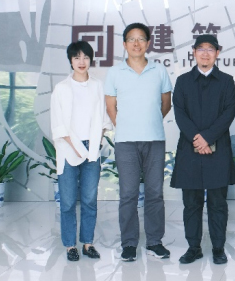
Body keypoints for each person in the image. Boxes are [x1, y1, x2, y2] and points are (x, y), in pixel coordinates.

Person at [104, 23, 173, 262]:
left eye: (141, 39)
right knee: (128, 194)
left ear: (148, 43)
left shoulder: (159, 70)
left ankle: (154, 242)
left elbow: (166, 104)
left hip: (154, 140)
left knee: (155, 193)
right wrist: (126, 125)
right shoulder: (114, 72)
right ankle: (129, 243)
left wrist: (149, 121)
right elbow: (111, 107)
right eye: (131, 39)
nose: (136, 43)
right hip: (126, 142)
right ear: (124, 44)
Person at [171, 35, 235, 265]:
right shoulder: (183, 81)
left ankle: (218, 248)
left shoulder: (227, 81)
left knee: (218, 203)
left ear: (218, 53)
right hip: (190, 150)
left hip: (218, 149)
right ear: (194, 52)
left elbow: (229, 112)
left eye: (210, 49)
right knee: (191, 203)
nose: (206, 53)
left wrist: (207, 137)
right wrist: (197, 140)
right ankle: (193, 247)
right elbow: (179, 113)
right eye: (201, 49)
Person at [50, 41, 113, 262]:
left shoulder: (97, 86)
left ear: (90, 60)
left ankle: (88, 243)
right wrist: (76, 147)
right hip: (68, 148)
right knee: (68, 201)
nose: (81, 61)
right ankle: (70, 246)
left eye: (85, 57)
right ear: (70, 60)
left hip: (92, 148)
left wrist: (95, 143)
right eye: (76, 57)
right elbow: (58, 123)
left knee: (89, 200)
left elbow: (103, 119)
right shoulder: (61, 88)